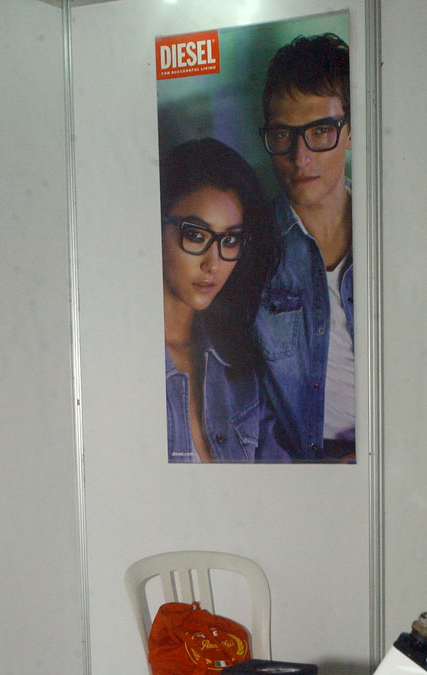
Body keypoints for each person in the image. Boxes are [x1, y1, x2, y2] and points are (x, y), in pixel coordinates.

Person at [255, 33, 354, 463]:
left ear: (351, 132)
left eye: (321, 131)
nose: (300, 157)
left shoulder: (395, 233)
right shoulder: (249, 250)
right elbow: (241, 401)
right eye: (283, 134)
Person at [159, 138, 288, 463]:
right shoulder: (120, 361)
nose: (213, 264)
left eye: (230, 240)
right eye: (196, 235)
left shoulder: (239, 366)